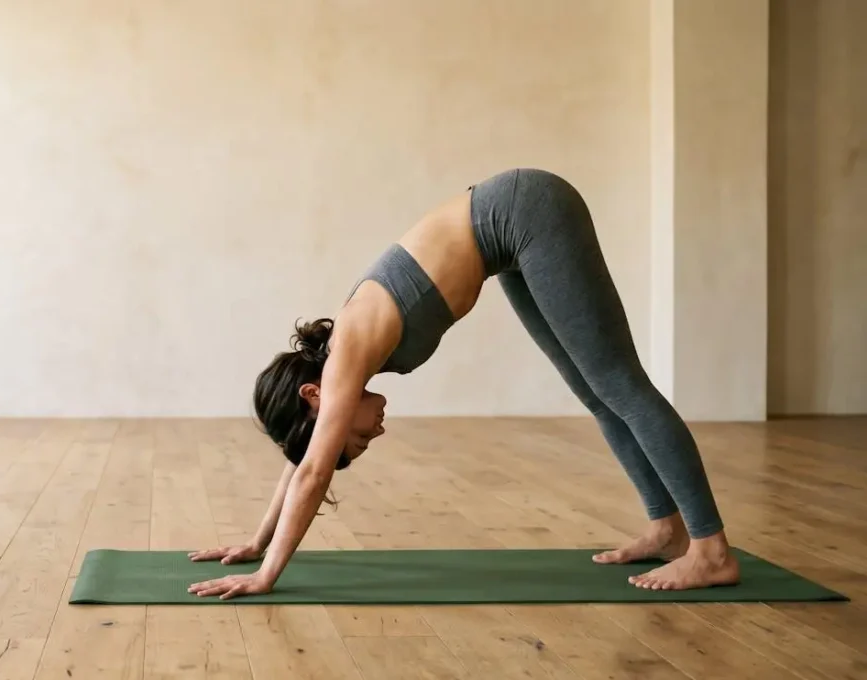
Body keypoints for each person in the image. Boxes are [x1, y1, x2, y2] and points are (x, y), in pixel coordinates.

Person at [186, 168, 740, 600]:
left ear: (314, 396)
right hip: (510, 235)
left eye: (355, 438)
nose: (374, 434)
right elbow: (305, 458)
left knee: (620, 384)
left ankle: (711, 550)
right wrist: (257, 541)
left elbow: (313, 471)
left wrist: (267, 575)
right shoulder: (338, 365)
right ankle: (667, 530)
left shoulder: (347, 353)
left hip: (527, 212)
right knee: (598, 394)